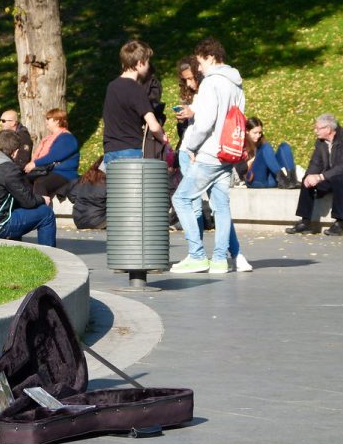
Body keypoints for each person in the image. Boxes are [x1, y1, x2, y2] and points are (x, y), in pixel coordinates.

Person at [170, 37, 245, 274]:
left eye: (201, 62)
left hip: (209, 153)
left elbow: (204, 123)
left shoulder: (211, 83)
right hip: (227, 153)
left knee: (181, 199)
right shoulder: (236, 83)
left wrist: (191, 146)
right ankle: (220, 259)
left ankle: (197, 255)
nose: (199, 68)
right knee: (221, 207)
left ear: (211, 57)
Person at [285, 113, 343, 236]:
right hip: (332, 176)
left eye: (318, 128)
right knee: (307, 180)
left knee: (339, 180)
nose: (315, 131)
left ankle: (339, 224)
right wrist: (310, 176)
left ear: (328, 129)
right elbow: (315, 163)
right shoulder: (321, 142)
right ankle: (305, 222)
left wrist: (320, 177)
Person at [0, 130, 56, 246]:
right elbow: (28, 201)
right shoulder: (9, 169)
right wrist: (43, 199)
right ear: (15, 152)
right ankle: (50, 253)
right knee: (47, 213)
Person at [102, 39, 168, 163]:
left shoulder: (111, 87)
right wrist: (163, 138)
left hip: (110, 151)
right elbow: (153, 126)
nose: (148, 66)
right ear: (139, 63)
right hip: (131, 151)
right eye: (147, 62)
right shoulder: (136, 89)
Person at [23, 108, 80, 201]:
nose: (46, 121)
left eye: (48, 119)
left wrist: (35, 163)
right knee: (24, 180)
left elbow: (54, 155)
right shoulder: (49, 138)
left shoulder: (67, 138)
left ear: (56, 121)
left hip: (64, 173)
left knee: (41, 183)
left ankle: (42, 209)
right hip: (50, 171)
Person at [235, 117, 298, 189]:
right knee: (266, 147)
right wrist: (253, 160)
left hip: (271, 179)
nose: (258, 136)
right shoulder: (241, 145)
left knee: (284, 146)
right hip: (254, 180)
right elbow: (240, 169)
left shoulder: (261, 141)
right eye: (255, 133)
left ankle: (292, 180)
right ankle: (282, 179)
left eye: (260, 133)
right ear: (247, 131)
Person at [67, 155, 107, 230]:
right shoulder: (108, 182)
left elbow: (72, 196)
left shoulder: (84, 178)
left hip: (79, 221)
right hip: (98, 222)